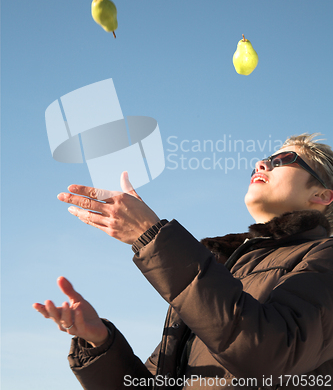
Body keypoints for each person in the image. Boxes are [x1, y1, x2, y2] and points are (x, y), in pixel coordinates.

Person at [33, 133, 333, 389]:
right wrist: (100, 343)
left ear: (322, 194)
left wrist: (150, 236)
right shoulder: (224, 271)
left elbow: (271, 354)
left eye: (284, 159)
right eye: (267, 158)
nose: (262, 163)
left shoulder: (324, 256)